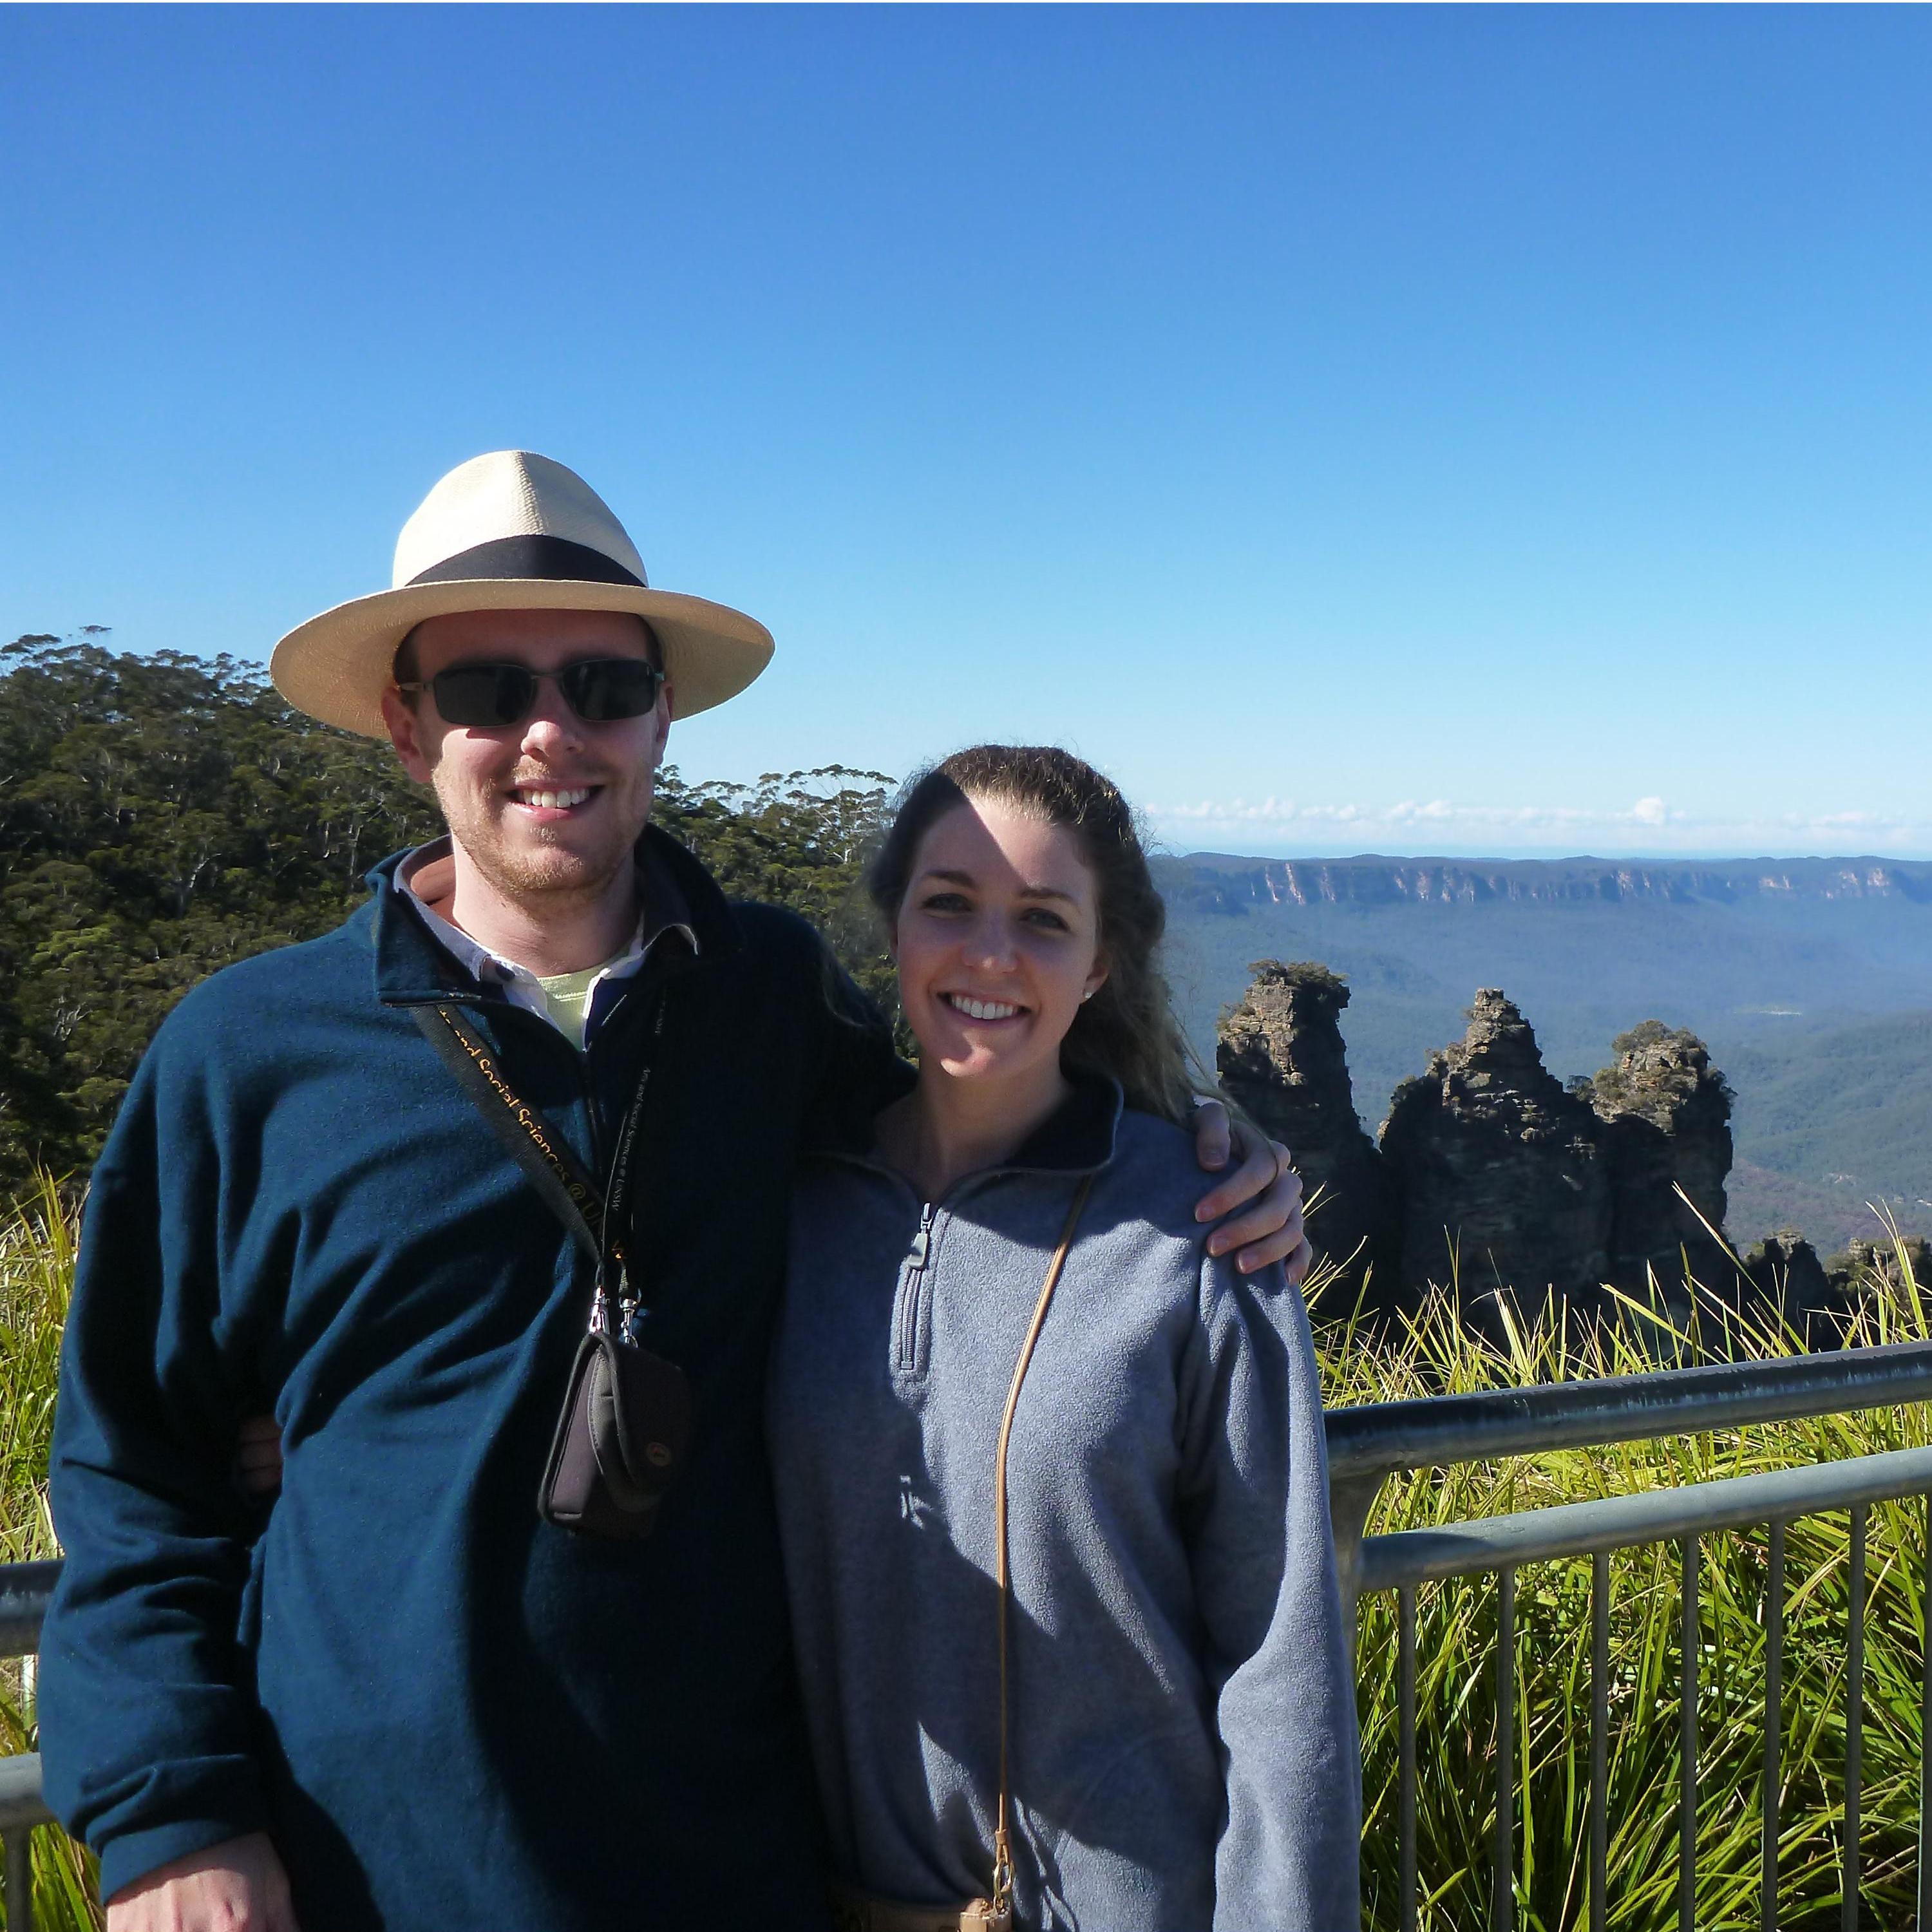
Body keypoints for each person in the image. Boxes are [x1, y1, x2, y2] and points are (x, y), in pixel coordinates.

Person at [37, 450, 1311, 1932]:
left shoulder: (768, 996)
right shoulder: (245, 1056)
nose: (548, 734)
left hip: (736, 1869)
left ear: (662, 717)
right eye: (484, 692)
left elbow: (969, 1126)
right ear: (405, 726)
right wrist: (174, 1820)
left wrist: (1192, 1150)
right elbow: (135, 1475)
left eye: (601, 683)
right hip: (372, 1870)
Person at [768, 746, 1359, 1931]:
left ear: (1100, 967)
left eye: (1042, 920)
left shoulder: (1201, 1237)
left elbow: (1281, 1663)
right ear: (893, 926)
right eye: (950, 905)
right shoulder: (785, 1203)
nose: (990, 955)